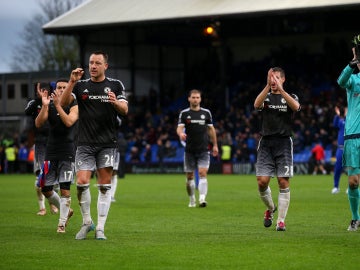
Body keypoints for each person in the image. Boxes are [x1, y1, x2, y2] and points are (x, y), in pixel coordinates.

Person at [61, 51, 128, 240]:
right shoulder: (81, 85)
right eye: (91, 62)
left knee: (104, 186)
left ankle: (100, 228)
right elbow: (65, 103)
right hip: (84, 143)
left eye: (98, 63)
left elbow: (125, 109)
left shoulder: (115, 85)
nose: (93, 66)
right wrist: (72, 81)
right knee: (81, 183)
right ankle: (87, 222)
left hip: (107, 143)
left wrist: (115, 103)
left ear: (105, 66)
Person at [254, 67, 300, 231]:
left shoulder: (291, 97)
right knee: (262, 182)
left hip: (284, 143)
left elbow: (295, 107)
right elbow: (256, 104)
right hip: (266, 143)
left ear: (283, 79)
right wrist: (267, 86)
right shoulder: (265, 97)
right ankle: (271, 208)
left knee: (283, 181)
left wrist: (281, 91)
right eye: (271, 78)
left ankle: (281, 221)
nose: (273, 80)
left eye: (277, 78)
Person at [35, 79, 78, 233]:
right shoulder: (50, 105)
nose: (60, 90)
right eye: (58, 87)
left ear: (69, 90)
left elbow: (68, 122)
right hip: (50, 152)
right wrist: (45, 106)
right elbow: (39, 124)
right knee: (44, 187)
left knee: (65, 189)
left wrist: (58, 105)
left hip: (67, 152)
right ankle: (67, 211)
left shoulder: (74, 105)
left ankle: (61, 224)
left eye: (64, 87)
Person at [177, 89, 219, 208]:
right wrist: (180, 134)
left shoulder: (206, 113)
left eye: (197, 97)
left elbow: (211, 130)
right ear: (189, 99)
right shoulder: (184, 113)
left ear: (200, 99)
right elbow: (179, 128)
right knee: (189, 177)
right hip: (189, 150)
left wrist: (215, 145)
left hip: (204, 149)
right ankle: (191, 199)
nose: (195, 99)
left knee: (202, 173)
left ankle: (202, 199)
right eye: (193, 97)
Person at [337, 36, 360, 231]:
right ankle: (355, 218)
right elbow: (341, 80)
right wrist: (352, 63)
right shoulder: (353, 79)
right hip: (353, 136)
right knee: (353, 182)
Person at [25, 83, 58, 216]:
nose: (44, 92)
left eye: (46, 90)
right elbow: (26, 112)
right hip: (40, 145)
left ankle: (52, 204)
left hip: (53, 144)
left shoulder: (54, 102)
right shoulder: (34, 103)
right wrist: (39, 100)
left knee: (51, 177)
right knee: (40, 178)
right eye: (41, 90)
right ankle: (42, 207)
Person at [331, 106, 346, 194]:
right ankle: (336, 187)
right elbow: (335, 124)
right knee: (337, 168)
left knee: (351, 168)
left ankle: (350, 187)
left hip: (349, 148)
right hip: (340, 148)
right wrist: (337, 115)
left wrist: (347, 115)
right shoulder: (341, 121)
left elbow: (347, 122)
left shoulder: (350, 121)